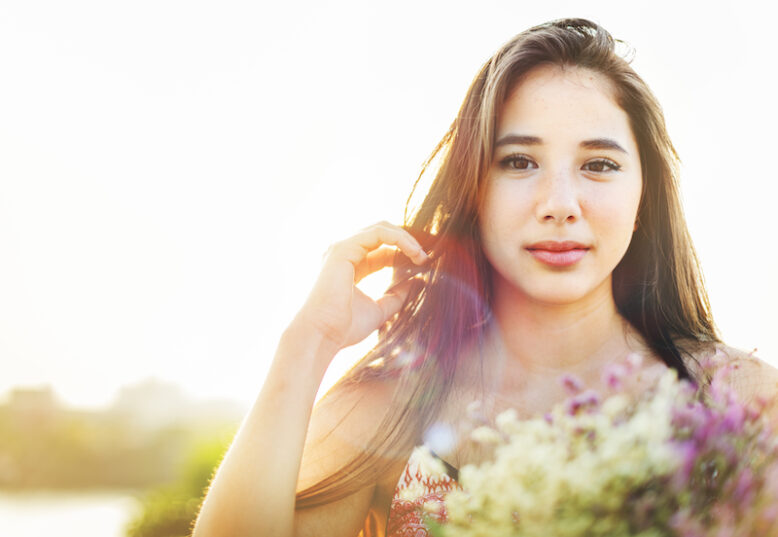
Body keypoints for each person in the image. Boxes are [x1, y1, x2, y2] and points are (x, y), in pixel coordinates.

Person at [191, 18, 778, 537]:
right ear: (474, 186)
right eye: (519, 161)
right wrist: (307, 344)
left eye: (599, 165)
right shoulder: (390, 408)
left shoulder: (739, 402)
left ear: (644, 195)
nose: (560, 203)